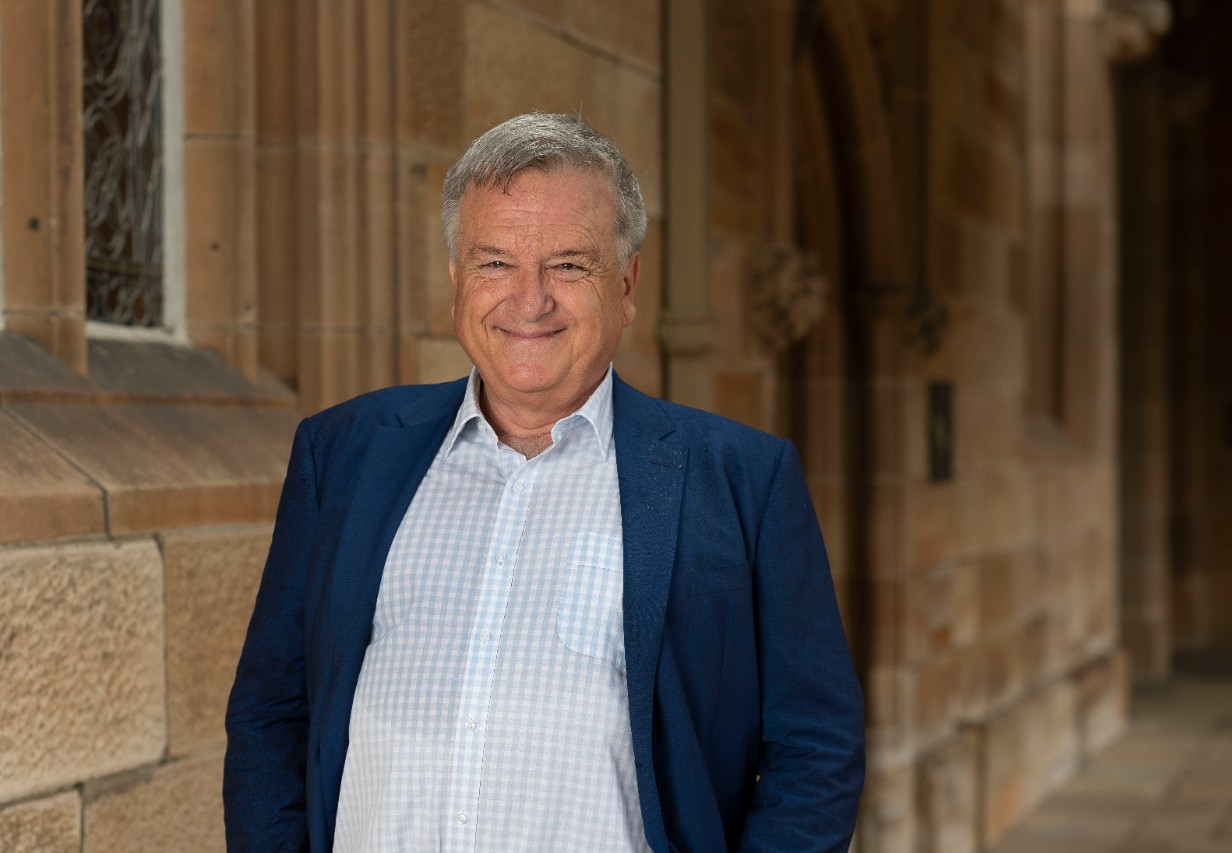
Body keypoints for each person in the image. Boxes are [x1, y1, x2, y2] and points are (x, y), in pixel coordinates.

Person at [224, 112, 865, 852]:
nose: (530, 300)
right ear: (457, 280)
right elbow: (273, 710)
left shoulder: (743, 481)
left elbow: (816, 747)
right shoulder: (342, 455)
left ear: (625, 285)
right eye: (495, 262)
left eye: (568, 264)